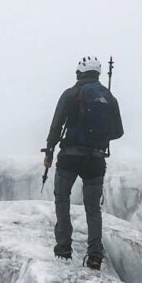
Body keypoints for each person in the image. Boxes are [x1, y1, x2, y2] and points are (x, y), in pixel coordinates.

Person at [43, 55, 124, 270]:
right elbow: (118, 132)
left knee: (62, 198)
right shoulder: (109, 98)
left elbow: (56, 124)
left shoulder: (71, 94)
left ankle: (63, 246)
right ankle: (95, 254)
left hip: (69, 156)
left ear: (79, 73)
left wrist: (50, 149)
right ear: (97, 74)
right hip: (96, 159)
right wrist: (98, 136)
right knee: (92, 208)